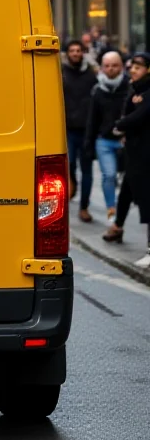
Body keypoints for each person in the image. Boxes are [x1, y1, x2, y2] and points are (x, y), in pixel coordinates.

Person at [113, 51, 150, 269]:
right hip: (135, 156)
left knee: (147, 202)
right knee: (128, 193)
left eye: (138, 67)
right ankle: (117, 226)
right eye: (132, 67)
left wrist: (122, 123)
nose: (133, 70)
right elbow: (127, 112)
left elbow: (137, 116)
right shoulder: (135, 90)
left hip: (146, 156)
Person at [84, 51, 129, 222]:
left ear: (121, 66)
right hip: (104, 141)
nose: (111, 69)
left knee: (129, 179)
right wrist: (88, 144)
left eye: (114, 65)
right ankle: (111, 208)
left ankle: (123, 211)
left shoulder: (130, 87)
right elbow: (92, 119)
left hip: (126, 140)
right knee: (109, 175)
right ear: (102, 68)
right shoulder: (98, 91)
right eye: (107, 66)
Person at [63, 39, 98, 222]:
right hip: (68, 129)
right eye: (72, 50)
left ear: (83, 53)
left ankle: (84, 207)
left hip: (87, 130)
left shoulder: (91, 75)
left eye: (78, 50)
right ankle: (72, 186)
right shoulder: (61, 73)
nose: (76, 53)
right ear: (68, 53)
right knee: (69, 167)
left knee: (87, 170)